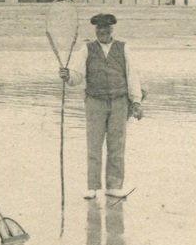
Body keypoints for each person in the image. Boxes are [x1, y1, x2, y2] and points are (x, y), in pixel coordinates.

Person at [58, 13, 144, 200]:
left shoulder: (124, 48)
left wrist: (136, 102)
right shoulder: (86, 49)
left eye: (107, 28)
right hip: (94, 102)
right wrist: (68, 76)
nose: (103, 31)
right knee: (94, 145)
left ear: (112, 29)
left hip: (120, 102)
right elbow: (77, 76)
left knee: (117, 145)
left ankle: (114, 186)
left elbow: (132, 76)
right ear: (96, 30)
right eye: (99, 28)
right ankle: (93, 187)